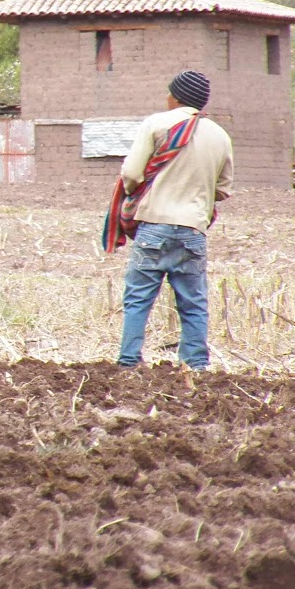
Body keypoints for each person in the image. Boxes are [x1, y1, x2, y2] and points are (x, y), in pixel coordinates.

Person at [111, 70, 233, 370]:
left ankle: (129, 361)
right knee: (193, 303)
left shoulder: (156, 123)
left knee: (139, 298)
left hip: (154, 225)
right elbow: (223, 189)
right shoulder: (220, 135)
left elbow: (130, 173)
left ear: (175, 97)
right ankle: (196, 366)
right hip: (193, 229)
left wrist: (133, 194)